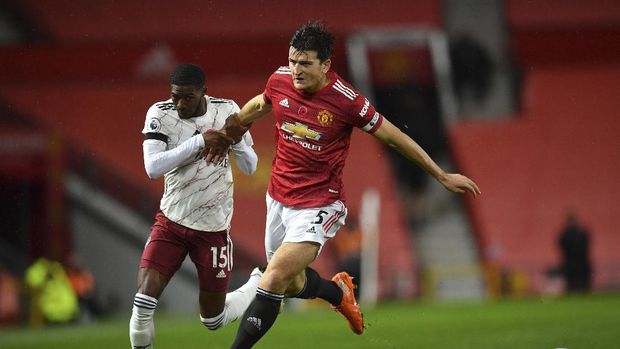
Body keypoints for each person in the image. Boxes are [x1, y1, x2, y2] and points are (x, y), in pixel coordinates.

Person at [204, 21, 481, 348]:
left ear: (325, 65)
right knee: (291, 284)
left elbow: (395, 137)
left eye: (305, 63)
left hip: (320, 205)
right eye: (293, 60)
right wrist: (230, 131)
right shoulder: (280, 81)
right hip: (278, 200)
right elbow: (260, 104)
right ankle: (339, 293)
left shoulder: (346, 100)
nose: (296, 69)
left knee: (274, 277)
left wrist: (441, 174)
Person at [129, 63, 262, 349]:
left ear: (204, 91)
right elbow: (153, 168)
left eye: (187, 97)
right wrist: (200, 141)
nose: (179, 103)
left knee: (213, 320)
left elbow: (251, 167)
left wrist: (234, 140)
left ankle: (257, 285)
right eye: (175, 95)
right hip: (172, 222)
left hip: (213, 228)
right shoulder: (160, 114)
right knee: (142, 304)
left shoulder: (227, 110)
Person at [558, 211, 592, 292]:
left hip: (571, 264)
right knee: (582, 286)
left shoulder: (565, 234)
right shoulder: (581, 232)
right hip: (581, 264)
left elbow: (562, 245)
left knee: (572, 286)